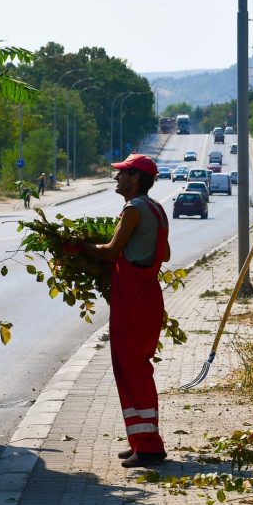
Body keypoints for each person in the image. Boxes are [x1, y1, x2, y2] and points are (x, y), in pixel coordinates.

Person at [78, 153, 170, 468]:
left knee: (132, 371)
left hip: (132, 303)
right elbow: (165, 253)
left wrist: (76, 247)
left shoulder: (133, 210)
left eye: (122, 174)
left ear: (135, 179)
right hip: (148, 299)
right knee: (136, 369)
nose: (117, 178)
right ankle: (139, 441)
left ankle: (148, 447)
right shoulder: (156, 210)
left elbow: (110, 252)